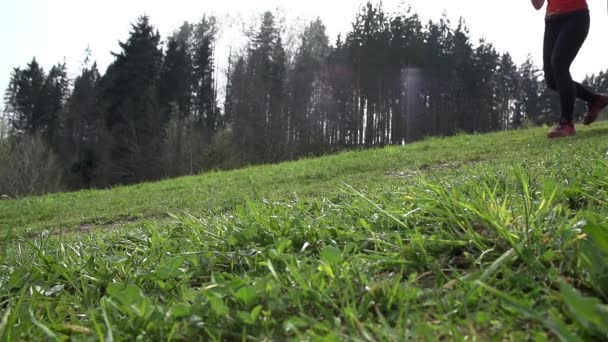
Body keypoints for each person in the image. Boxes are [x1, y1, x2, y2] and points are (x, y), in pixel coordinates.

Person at [531, 0, 608, 138]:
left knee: (559, 62)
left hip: (576, 15)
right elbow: (537, 5)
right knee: (552, 79)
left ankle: (566, 123)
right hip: (552, 21)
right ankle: (595, 99)